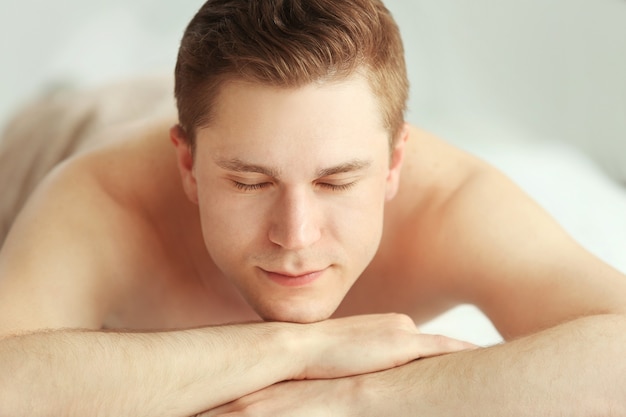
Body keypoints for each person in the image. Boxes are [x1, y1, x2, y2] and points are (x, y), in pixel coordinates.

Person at [1, 0, 625, 415]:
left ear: (395, 163)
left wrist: (359, 394)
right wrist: (294, 352)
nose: (295, 236)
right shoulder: (104, 199)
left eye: (337, 183)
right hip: (55, 132)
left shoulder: (452, 202)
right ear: (188, 166)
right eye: (248, 183)